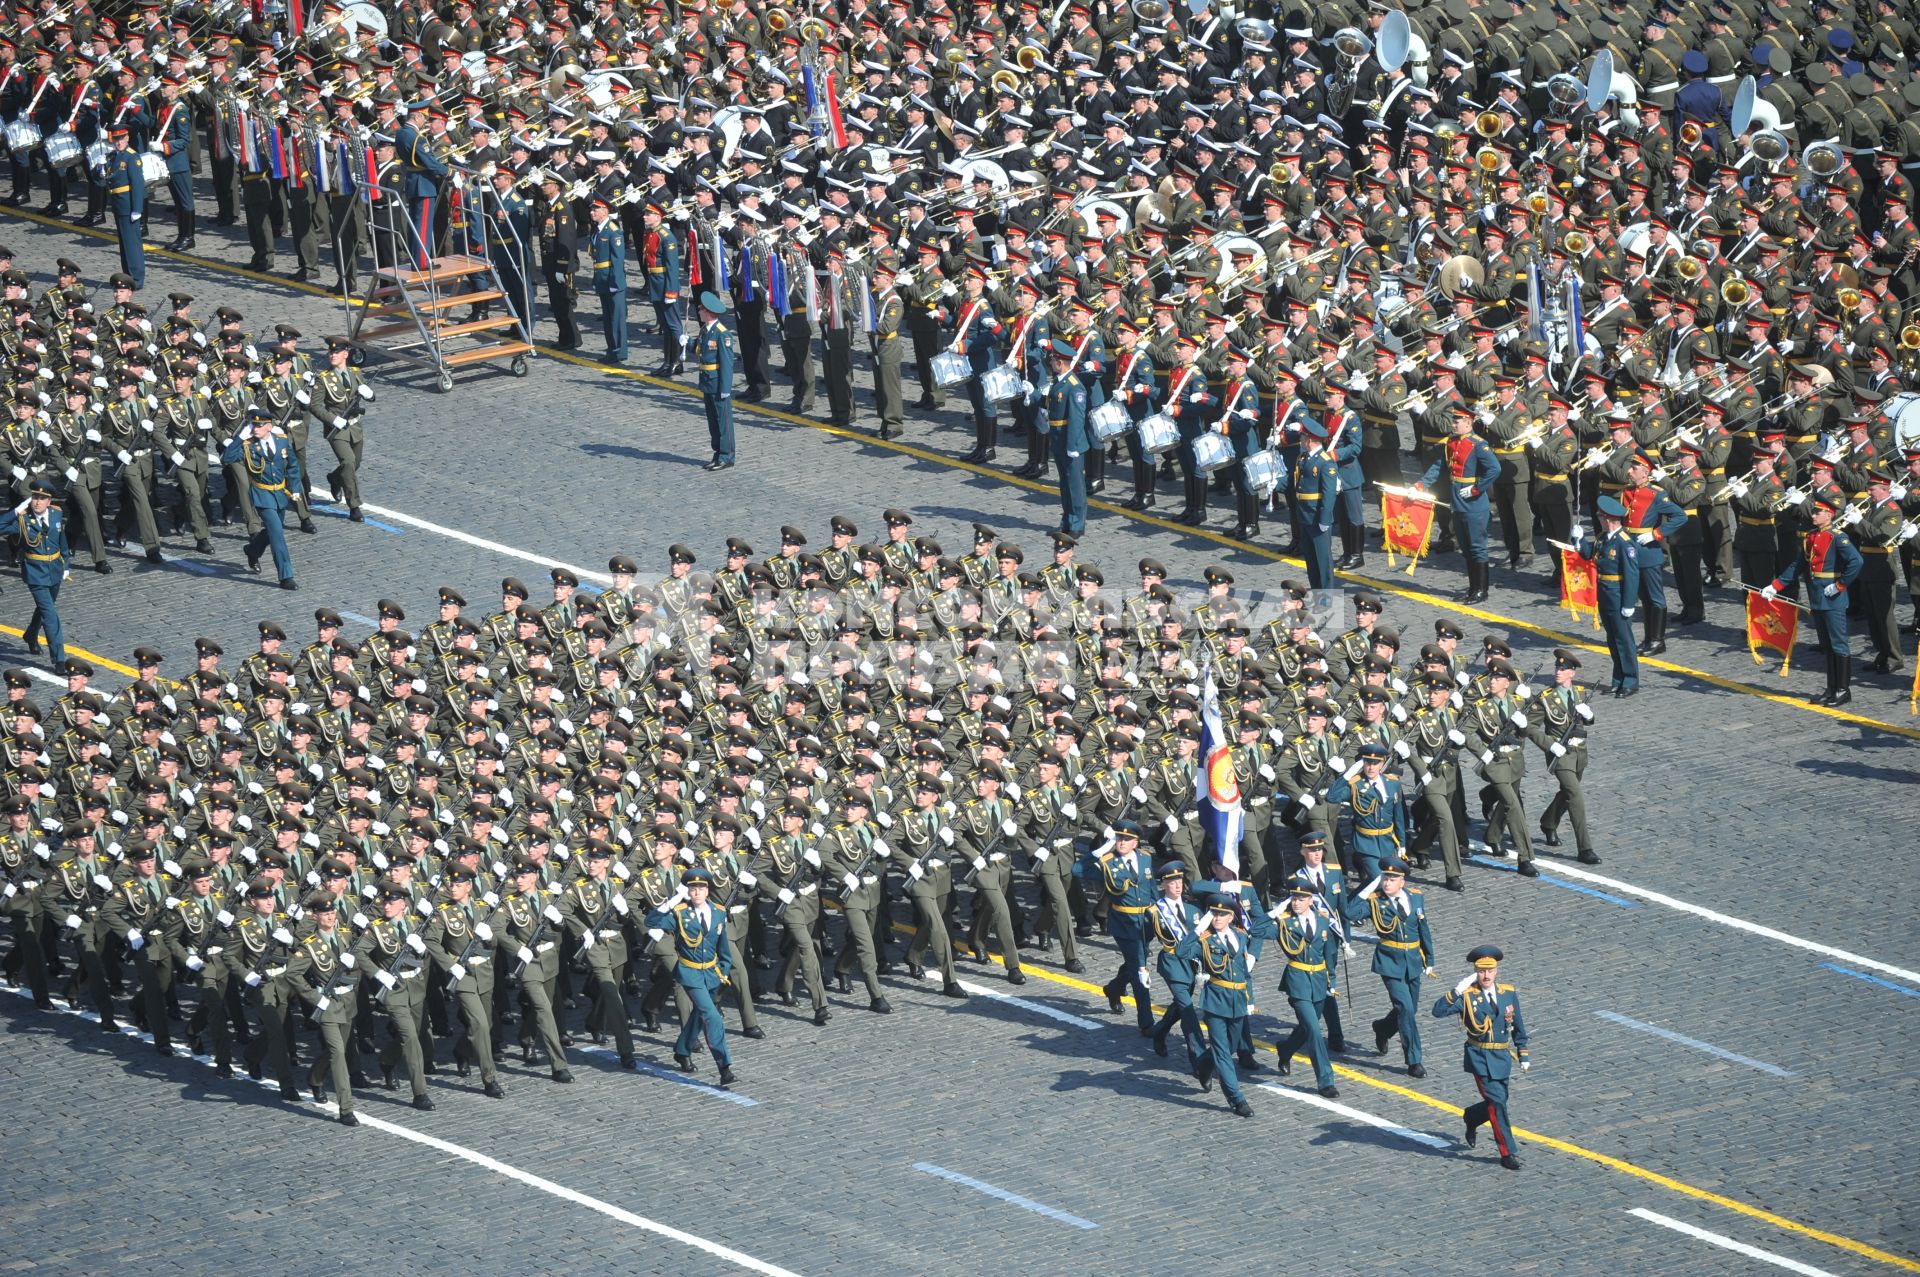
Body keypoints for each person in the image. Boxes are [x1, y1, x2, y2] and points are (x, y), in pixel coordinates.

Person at [1432, 943, 1529, 1171]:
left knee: (1500, 1101)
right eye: (1481, 971)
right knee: (1497, 1103)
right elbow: (1437, 1011)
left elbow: (1518, 1026)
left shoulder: (1508, 993)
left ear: (1496, 971)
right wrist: (1456, 990)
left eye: (1490, 971)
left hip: (1502, 1056)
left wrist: (1523, 1052)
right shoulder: (1468, 996)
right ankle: (1507, 1152)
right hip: (1480, 1057)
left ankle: (1473, 1117)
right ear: (1476, 972)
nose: (1486, 975)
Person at [1765, 494, 1864, 706]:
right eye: (1814, 511)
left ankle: (1843, 689)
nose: (1813, 515)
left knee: (1839, 644)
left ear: (1829, 515)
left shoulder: (1838, 537)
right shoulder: (1811, 536)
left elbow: (1856, 561)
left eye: (1818, 512)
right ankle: (1831, 688)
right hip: (1817, 595)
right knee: (1827, 644)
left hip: (1833, 596)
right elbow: (1798, 564)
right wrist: (1776, 585)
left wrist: (1840, 584)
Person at [645, 864, 737, 1086]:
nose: (696, 893)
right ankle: (724, 1067)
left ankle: (682, 1049)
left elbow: (723, 947)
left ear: (707, 891)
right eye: (692, 889)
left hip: (713, 973)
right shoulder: (680, 914)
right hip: (690, 973)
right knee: (712, 1015)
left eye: (700, 889)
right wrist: (673, 900)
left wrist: (724, 969)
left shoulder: (718, 912)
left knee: (699, 1013)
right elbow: (651, 921)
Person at [1344, 859, 1434, 1078]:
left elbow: (1423, 928)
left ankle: (1383, 1029)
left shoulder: (1416, 897)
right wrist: (1368, 888)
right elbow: (1349, 913)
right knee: (1405, 1007)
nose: (1387, 882)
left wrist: (1430, 959)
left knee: (1408, 1009)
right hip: (1389, 962)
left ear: (1402, 881)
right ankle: (1414, 1060)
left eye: (1392, 879)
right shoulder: (1376, 902)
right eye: (1384, 878)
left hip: (1413, 960)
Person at [1174, 889, 1256, 1117]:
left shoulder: (1240, 936)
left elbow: (1244, 972)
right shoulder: (1204, 940)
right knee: (1223, 1052)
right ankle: (1237, 1099)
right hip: (1216, 1001)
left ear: (1231, 917)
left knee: (1230, 1046)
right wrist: (1198, 929)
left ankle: (1203, 1064)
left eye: (1222, 914)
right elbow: (1180, 952)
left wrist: (1251, 998)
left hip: (1238, 1000)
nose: (1217, 918)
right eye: (1214, 914)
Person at [287, 889, 363, 1126]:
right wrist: (314, 997)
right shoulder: (309, 945)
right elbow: (292, 973)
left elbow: (360, 966)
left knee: (333, 1052)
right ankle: (346, 1108)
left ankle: (315, 1077)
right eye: (324, 913)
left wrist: (356, 965)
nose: (330, 917)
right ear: (315, 917)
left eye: (332, 912)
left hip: (347, 1002)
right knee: (339, 1054)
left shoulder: (345, 937)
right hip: (327, 1005)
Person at [1415, 404, 1502, 603]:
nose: (1453, 424)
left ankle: (1481, 590)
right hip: (1456, 499)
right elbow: (1439, 467)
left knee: (1477, 546)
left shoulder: (1479, 444)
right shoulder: (1451, 442)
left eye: (1457, 421)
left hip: (1473, 503)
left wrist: (1476, 488)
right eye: (1453, 420)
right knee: (1465, 546)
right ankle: (1473, 588)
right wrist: (1420, 485)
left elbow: (1494, 469)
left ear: (1468, 422)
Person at [1528, 649, 1601, 864]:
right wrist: (1550, 746)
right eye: (1557, 668)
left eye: (1563, 669)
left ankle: (1549, 822)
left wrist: (1590, 716)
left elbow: (1584, 720)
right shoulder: (1545, 698)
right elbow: (1530, 727)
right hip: (1560, 755)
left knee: (1567, 793)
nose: (1558, 672)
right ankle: (1585, 848)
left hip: (1579, 754)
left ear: (1572, 673)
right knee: (1575, 796)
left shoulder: (1579, 693)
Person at [221, 406, 302, 590]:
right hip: (261, 495)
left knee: (273, 530)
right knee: (277, 534)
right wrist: (239, 438)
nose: (255, 428)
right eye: (253, 424)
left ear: (269, 426)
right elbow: (227, 458)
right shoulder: (248, 445)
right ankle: (286, 576)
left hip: (280, 494)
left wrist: (295, 487)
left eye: (259, 425)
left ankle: (252, 550)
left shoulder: (281, 441)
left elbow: (293, 465)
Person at [1272, 882, 1340, 1098]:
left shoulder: (1322, 920)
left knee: (1306, 1027)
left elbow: (1328, 954)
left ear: (1311, 900)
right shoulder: (1285, 922)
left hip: (1319, 980)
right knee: (1314, 1030)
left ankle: (1286, 1048)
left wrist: (1332, 981)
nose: (1296, 902)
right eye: (1293, 898)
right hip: (1298, 981)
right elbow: (1256, 928)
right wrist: (1276, 911)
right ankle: (1325, 1080)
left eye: (1302, 899)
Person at [1577, 495, 1642, 696]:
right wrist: (1578, 540)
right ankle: (1618, 678)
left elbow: (1632, 575)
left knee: (1624, 639)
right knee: (1613, 639)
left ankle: (1630, 681)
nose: (1599, 520)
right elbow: (1589, 554)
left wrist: (1629, 603)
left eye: (1600, 517)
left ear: (1609, 519)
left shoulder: (1625, 543)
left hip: (1618, 594)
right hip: (1604, 593)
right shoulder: (1602, 538)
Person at [1095, 821, 1154, 1035]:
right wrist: (1101, 850)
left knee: (1134, 962)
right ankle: (1146, 1023)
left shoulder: (1145, 857)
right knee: (1140, 968)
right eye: (1119, 838)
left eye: (1127, 839)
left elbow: (1152, 888)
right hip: (1124, 924)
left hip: (1146, 923)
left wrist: (1159, 916)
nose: (1122, 842)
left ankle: (1114, 988)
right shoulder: (1108, 862)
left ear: (1136, 843)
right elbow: (1078, 869)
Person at [1145, 860, 1204, 1073]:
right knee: (1188, 1011)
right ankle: (1198, 1059)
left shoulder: (1193, 909)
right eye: (1172, 882)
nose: (1178, 885)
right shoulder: (1155, 912)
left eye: (1179, 880)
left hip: (1191, 964)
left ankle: (1160, 1031)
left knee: (1181, 1005)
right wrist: (1142, 966)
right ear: (1163, 885)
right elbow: (1143, 939)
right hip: (1171, 963)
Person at [310, 336, 375, 521]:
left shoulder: (355, 373)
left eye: (336, 352)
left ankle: (335, 478)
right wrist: (333, 419)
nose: (332, 355)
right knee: (347, 462)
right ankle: (354, 505)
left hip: (355, 426)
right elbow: (315, 406)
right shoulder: (323, 379)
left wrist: (370, 396)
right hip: (337, 429)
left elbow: (365, 394)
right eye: (330, 352)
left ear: (345, 354)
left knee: (355, 464)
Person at [13, 477, 70, 665]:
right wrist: (15, 511)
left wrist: (66, 564)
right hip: (35, 573)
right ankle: (59, 659)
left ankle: (30, 634)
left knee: (46, 608)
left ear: (49, 501)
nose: (36, 502)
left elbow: (62, 540)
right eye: (34, 497)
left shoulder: (56, 514)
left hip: (55, 570)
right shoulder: (23, 519)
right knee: (50, 615)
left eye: (41, 498)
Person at [1045, 339, 1091, 536]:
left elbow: (1076, 418)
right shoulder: (1060, 382)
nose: (1051, 363)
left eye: (1053, 360)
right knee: (1064, 483)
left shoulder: (1074, 386)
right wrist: (1037, 398)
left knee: (1075, 485)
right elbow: (1054, 404)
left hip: (1070, 441)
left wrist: (1072, 444)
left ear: (1060, 362)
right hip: (1058, 439)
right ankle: (1067, 520)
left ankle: (1077, 524)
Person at [694, 291, 736, 471]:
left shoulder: (722, 334)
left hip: (718, 382)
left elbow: (727, 363)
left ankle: (726, 456)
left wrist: (726, 387)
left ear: (709, 312)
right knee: (713, 420)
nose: (699, 310)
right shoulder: (705, 330)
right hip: (707, 381)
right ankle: (717, 453)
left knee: (723, 421)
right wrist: (686, 342)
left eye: (702, 308)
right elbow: (699, 350)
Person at [103, 126, 146, 290]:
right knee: (124, 243)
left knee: (132, 244)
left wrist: (137, 209)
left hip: (128, 205)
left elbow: (137, 184)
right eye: (116, 139)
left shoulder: (131, 157)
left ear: (127, 138)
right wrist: (100, 167)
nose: (118, 142)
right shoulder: (114, 156)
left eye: (121, 138)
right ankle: (127, 274)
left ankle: (136, 278)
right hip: (118, 204)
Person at [589, 196, 629, 366]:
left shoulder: (613, 231)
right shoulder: (598, 230)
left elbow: (617, 260)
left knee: (616, 318)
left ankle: (619, 351)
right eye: (591, 209)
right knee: (607, 317)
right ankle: (611, 348)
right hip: (602, 279)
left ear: (605, 211)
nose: (592, 212)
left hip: (613, 281)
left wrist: (615, 283)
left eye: (595, 210)